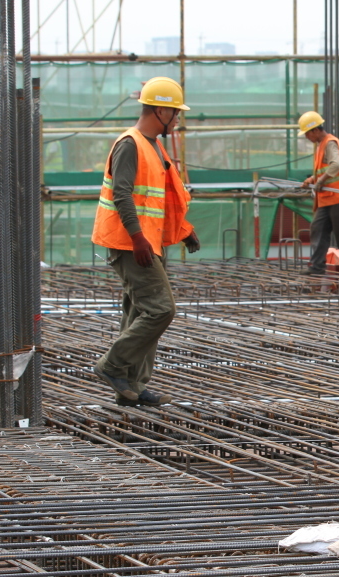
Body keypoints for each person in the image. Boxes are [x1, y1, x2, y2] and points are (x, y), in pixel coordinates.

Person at [91, 76, 200, 407]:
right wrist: (138, 239)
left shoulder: (153, 145)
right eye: (175, 113)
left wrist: (183, 230)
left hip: (148, 241)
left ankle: (132, 386)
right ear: (160, 111)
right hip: (130, 243)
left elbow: (158, 197)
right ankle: (112, 366)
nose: (178, 119)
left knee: (138, 310)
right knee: (161, 310)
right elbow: (122, 195)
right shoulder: (130, 144)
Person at [298, 111, 339, 276]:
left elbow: (335, 166)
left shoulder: (330, 143)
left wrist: (320, 181)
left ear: (315, 130)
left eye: (307, 133)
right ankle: (317, 266)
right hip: (327, 197)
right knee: (318, 228)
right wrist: (313, 179)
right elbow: (326, 169)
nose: (306, 137)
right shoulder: (322, 144)